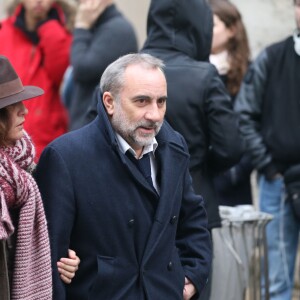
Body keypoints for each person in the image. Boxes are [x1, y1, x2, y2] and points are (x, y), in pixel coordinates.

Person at [35, 53, 212, 300]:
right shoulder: (66, 157)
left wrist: (193, 276)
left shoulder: (173, 148)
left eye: (161, 102)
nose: (155, 114)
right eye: (142, 101)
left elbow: (192, 220)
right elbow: (49, 258)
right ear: (109, 102)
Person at [141, 0, 244, 298]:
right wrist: (198, 165)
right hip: (194, 201)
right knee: (194, 287)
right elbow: (232, 146)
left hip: (136, 203)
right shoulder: (204, 74)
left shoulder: (128, 71)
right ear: (200, 25)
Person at [235, 0, 300, 299]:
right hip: (279, 182)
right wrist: (269, 168)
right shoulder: (273, 58)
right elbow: (244, 115)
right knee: (277, 281)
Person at [0, 56, 80, 300]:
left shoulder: (26, 169)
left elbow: (51, 235)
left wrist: (64, 260)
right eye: (13, 105)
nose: (25, 110)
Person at [0, 0, 72, 160]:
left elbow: (61, 75)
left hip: (49, 139)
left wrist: (50, 28)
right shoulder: (4, 31)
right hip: (6, 138)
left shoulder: (66, 33)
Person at [66, 0, 138, 130]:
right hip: (88, 125)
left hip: (97, 129)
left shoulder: (117, 29)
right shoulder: (98, 26)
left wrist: (81, 27)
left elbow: (82, 69)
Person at [209, 0, 253, 206]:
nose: (206, 30)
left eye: (213, 24)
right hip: (204, 177)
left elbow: (254, 124)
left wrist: (237, 171)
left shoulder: (249, 72)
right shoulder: (196, 69)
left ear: (232, 29)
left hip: (236, 179)